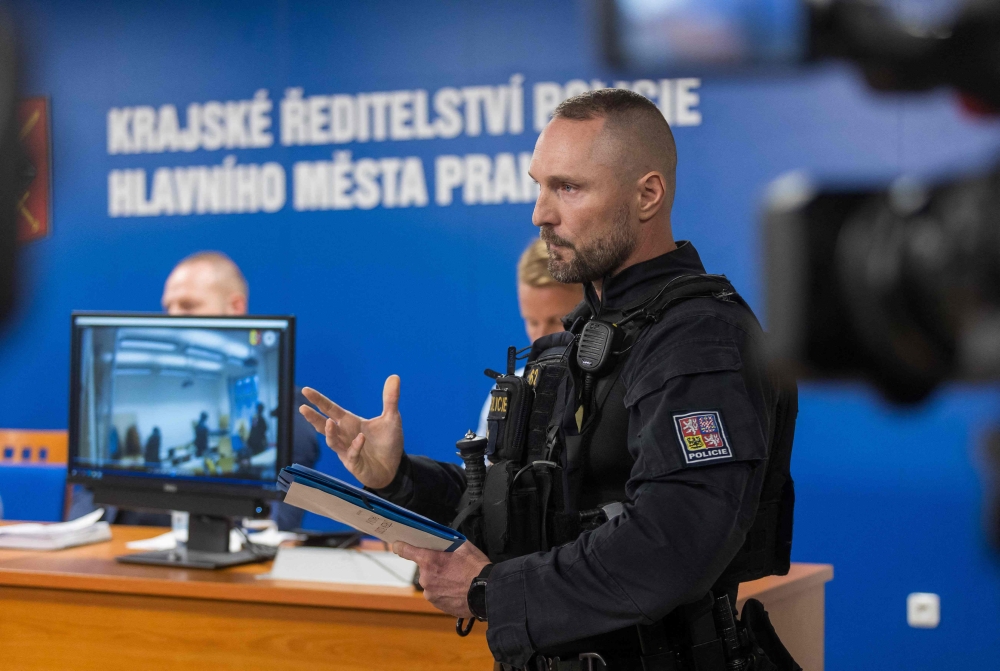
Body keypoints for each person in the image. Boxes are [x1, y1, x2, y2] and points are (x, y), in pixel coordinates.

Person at [300, 88, 797, 669]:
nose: (540, 212)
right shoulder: (581, 341)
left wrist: (490, 591)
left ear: (648, 194)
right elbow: (521, 512)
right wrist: (398, 479)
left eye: (568, 187)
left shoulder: (700, 339)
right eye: (539, 185)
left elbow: (673, 544)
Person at [69, 251, 320, 530]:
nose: (173, 317)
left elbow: (270, 528)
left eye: (188, 306)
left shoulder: (292, 422)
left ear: (236, 307)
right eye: (169, 308)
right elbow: (86, 503)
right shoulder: (110, 410)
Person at [476, 238, 583, 437]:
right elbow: (479, 467)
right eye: (532, 322)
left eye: (556, 321)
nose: (540, 338)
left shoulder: (616, 389)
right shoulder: (509, 392)